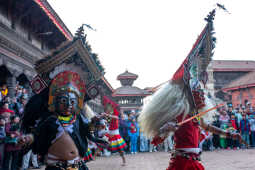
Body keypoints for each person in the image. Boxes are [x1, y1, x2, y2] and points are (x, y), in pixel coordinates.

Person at [138, 9, 243, 170]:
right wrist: (164, 129)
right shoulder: (180, 114)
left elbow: (207, 127)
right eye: (198, 91)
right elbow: (157, 139)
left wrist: (229, 134)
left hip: (193, 162)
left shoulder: (194, 114)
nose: (202, 94)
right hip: (182, 164)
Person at [19, 34, 108, 170]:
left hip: (78, 165)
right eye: (64, 101)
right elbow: (38, 134)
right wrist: (29, 139)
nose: (68, 105)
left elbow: (87, 128)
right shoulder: (50, 120)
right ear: (55, 102)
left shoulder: (77, 118)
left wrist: (94, 122)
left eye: (72, 102)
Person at [102, 96, 127, 166]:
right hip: (110, 131)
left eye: (108, 104)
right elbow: (108, 120)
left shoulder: (115, 111)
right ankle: (95, 155)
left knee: (120, 150)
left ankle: (124, 160)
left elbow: (116, 117)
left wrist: (107, 115)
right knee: (103, 143)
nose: (107, 106)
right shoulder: (109, 111)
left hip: (115, 133)